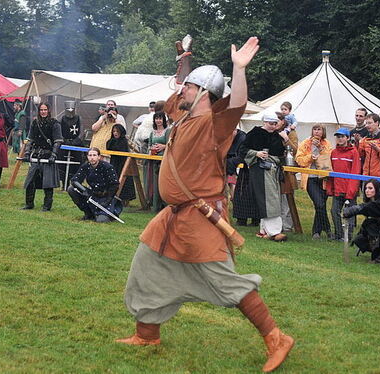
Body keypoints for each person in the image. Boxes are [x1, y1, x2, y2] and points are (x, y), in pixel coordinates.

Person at [117, 37, 295, 374]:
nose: (181, 90)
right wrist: (184, 58)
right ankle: (147, 335)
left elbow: (238, 103)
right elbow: (178, 85)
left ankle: (276, 337)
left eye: (189, 87)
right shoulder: (182, 115)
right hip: (171, 218)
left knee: (225, 282)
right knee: (146, 266)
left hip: (201, 219)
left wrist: (238, 70)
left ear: (202, 93)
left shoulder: (214, 125)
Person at [241, 113, 288, 241]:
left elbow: (281, 154)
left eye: (274, 124)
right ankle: (274, 231)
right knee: (269, 199)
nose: (272, 126)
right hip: (260, 170)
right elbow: (242, 149)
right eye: (270, 123)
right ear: (264, 122)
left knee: (271, 197)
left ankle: (264, 230)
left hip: (273, 169)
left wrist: (285, 141)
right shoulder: (255, 133)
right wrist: (256, 153)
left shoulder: (276, 136)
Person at [21, 103, 62, 211]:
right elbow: (30, 139)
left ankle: (47, 206)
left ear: (49, 110)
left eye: (45, 110)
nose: (43, 112)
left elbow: (58, 141)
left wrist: (53, 155)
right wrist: (27, 153)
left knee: (48, 183)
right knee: (30, 181)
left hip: (48, 155)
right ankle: (29, 204)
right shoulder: (35, 123)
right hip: (36, 155)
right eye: (41, 110)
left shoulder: (55, 123)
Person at [296, 124, 333, 239]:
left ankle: (316, 231)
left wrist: (321, 150)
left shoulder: (327, 144)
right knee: (319, 203)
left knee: (320, 205)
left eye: (319, 129)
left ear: (323, 132)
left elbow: (329, 159)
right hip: (310, 177)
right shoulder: (305, 143)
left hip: (323, 178)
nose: (317, 132)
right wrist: (310, 157)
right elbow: (299, 160)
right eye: (315, 129)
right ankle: (327, 229)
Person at [67, 147, 122, 222]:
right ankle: (88, 213)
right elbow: (74, 180)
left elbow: (115, 185)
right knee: (71, 189)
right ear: (87, 156)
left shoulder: (108, 167)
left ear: (99, 157)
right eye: (90, 155)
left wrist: (107, 201)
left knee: (101, 220)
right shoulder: (86, 166)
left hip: (106, 197)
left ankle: (108, 215)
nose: (92, 158)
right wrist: (84, 191)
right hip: (92, 194)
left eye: (94, 155)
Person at [326, 128, 361, 241]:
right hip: (337, 188)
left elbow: (356, 172)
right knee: (334, 211)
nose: (340, 139)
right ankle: (339, 234)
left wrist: (351, 191)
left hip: (349, 190)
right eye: (338, 137)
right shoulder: (333, 152)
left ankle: (348, 236)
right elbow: (331, 172)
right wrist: (330, 188)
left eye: (342, 136)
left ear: (347, 138)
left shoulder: (354, 152)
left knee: (350, 213)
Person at [351, 179, 380, 262]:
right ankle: (378, 252)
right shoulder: (368, 203)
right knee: (359, 239)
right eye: (366, 188)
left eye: (370, 188)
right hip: (372, 231)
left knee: (370, 224)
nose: (367, 191)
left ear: (376, 189)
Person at [146, 111, 170, 212]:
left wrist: (163, 146)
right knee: (154, 182)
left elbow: (171, 144)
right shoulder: (152, 133)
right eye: (156, 118)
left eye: (160, 118)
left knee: (163, 182)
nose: (158, 120)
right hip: (153, 159)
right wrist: (152, 148)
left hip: (164, 160)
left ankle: (165, 205)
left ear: (163, 120)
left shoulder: (168, 131)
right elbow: (149, 146)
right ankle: (155, 206)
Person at [106, 124, 135, 204]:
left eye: (117, 131)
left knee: (124, 180)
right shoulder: (111, 140)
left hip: (122, 163)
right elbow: (108, 147)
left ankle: (125, 200)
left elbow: (119, 149)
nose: (115, 133)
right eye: (114, 131)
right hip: (114, 162)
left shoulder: (123, 141)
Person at [59, 100, 83, 187]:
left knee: (76, 165)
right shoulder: (62, 118)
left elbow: (81, 133)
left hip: (76, 146)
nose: (70, 110)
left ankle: (74, 183)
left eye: (72, 108)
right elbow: (59, 132)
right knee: (62, 164)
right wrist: (65, 141)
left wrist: (75, 142)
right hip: (64, 145)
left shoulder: (79, 118)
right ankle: (64, 183)